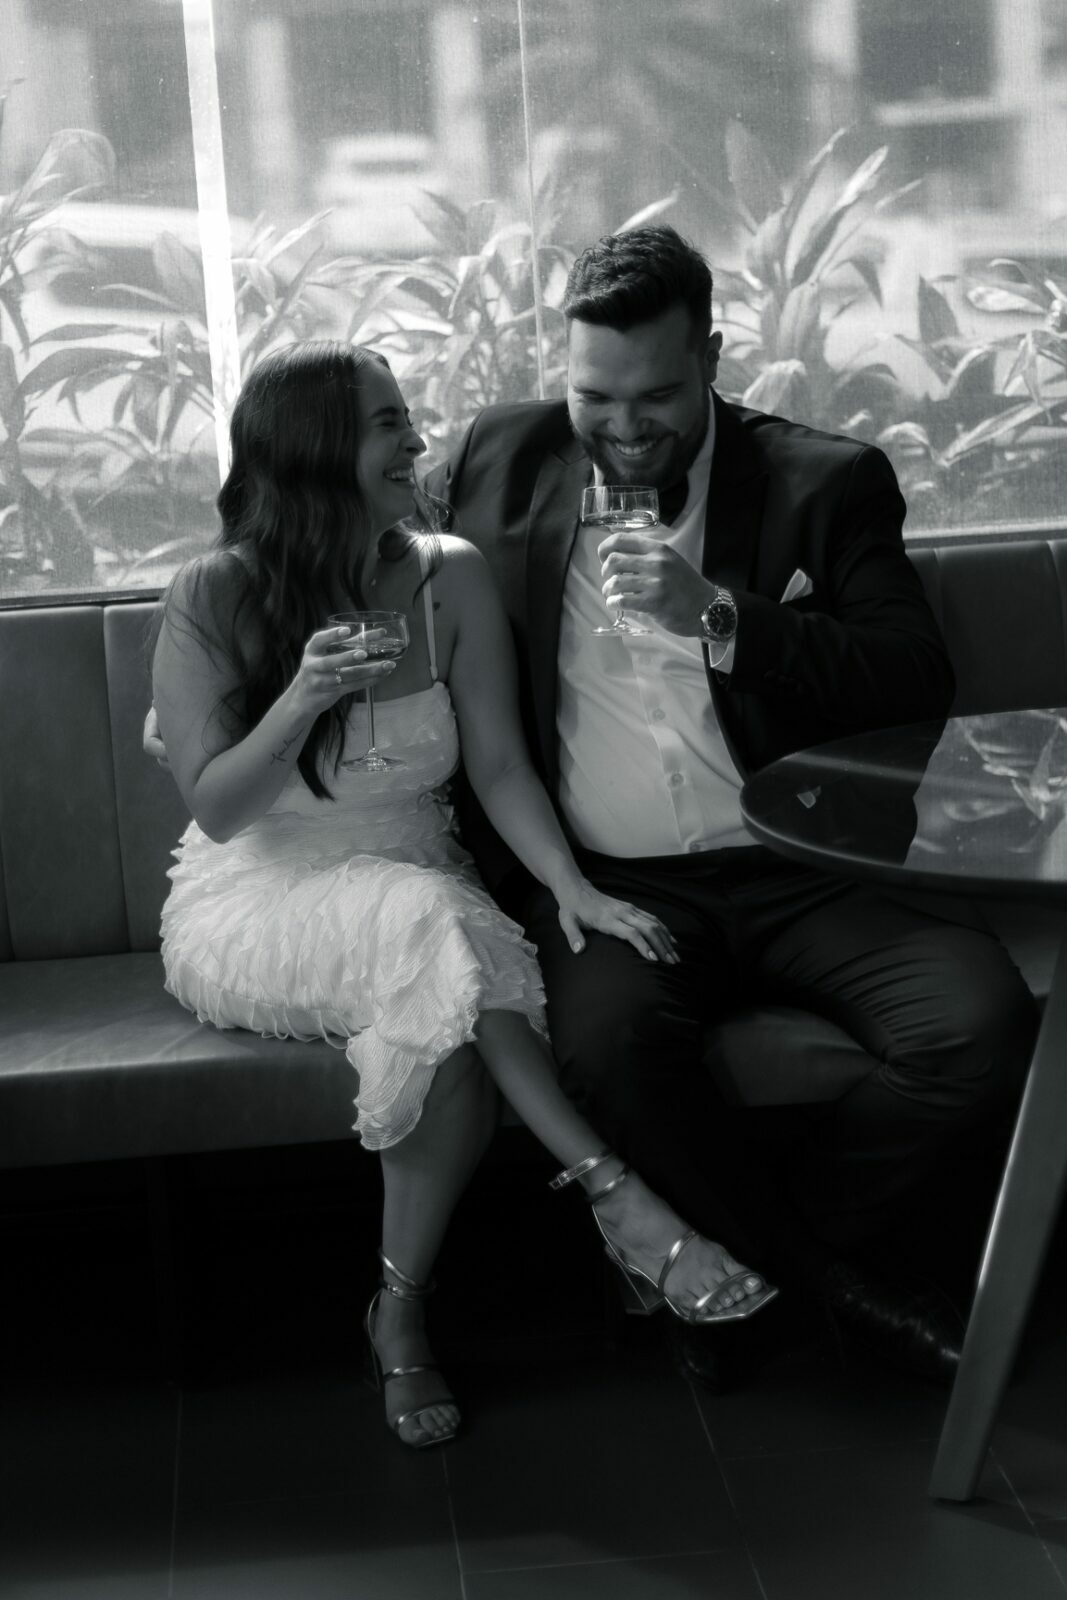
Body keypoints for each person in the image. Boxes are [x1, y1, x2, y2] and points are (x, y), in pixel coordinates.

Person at [417, 225, 1039, 1387]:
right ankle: (844, 1294)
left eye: (654, 396)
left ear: (709, 357)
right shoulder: (490, 461)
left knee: (980, 1025)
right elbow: (334, 539)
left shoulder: (824, 481)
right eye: (593, 395)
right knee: (608, 1049)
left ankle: (761, 1270)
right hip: (614, 886)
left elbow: (913, 676)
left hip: (808, 865)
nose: (621, 425)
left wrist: (719, 616)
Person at [150, 340, 777, 1452]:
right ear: (314, 451)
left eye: (406, 417)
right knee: (438, 929)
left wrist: (572, 887)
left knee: (440, 1037)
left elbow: (497, 765)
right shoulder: (214, 590)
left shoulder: (450, 575)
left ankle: (397, 1316)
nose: (417, 442)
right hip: (260, 895)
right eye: (386, 424)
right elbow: (219, 810)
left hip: (418, 885)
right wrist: (301, 697)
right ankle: (617, 1196)